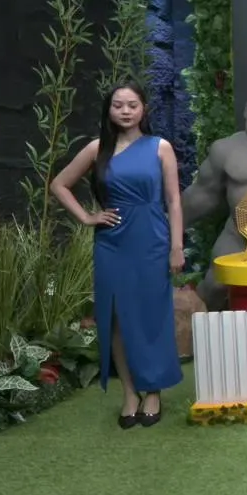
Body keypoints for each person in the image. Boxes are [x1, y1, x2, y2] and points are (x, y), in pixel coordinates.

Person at [50, 82, 184, 428]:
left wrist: (176, 247)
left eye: (132, 105)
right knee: (116, 318)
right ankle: (129, 393)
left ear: (144, 109)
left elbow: (173, 201)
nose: (125, 111)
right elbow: (59, 184)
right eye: (118, 105)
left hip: (152, 240)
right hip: (111, 243)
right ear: (108, 110)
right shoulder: (97, 149)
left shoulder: (160, 147)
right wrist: (87, 217)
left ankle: (152, 391)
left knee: (151, 315)